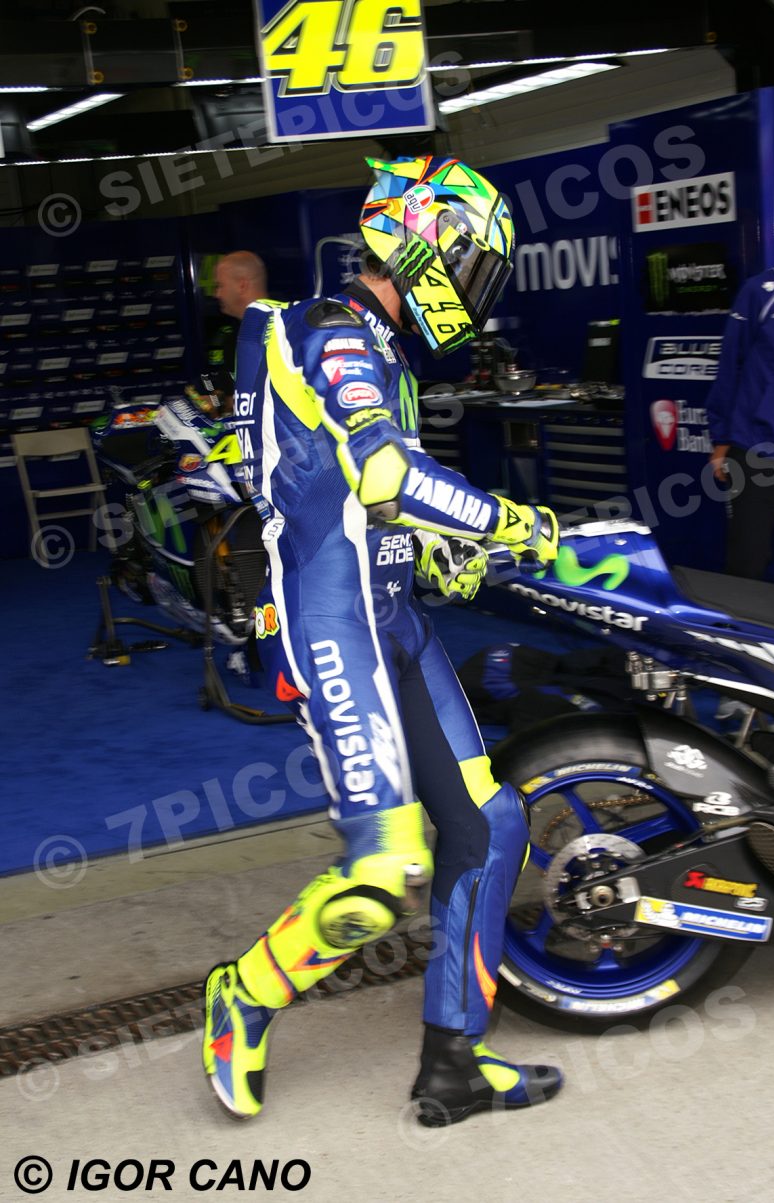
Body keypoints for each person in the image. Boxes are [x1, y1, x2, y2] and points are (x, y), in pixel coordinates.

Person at [202, 155, 562, 1128]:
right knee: (379, 868)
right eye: (474, 264)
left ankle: (453, 1058)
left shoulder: (377, 344)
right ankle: (242, 994)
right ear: (424, 245)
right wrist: (519, 528)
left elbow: (364, 503)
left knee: (487, 825)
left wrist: (433, 560)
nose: (478, 288)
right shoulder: (332, 330)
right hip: (331, 621)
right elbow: (383, 471)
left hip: (393, 614)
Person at [706, 255, 774, 585]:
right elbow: (730, 366)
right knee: (748, 560)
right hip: (757, 449)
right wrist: (721, 440)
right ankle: (735, 636)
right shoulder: (763, 290)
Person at [187, 252, 271, 417]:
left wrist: (222, 403)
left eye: (220, 286)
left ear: (242, 285)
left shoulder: (281, 330)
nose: (216, 294)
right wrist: (219, 401)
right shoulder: (237, 334)